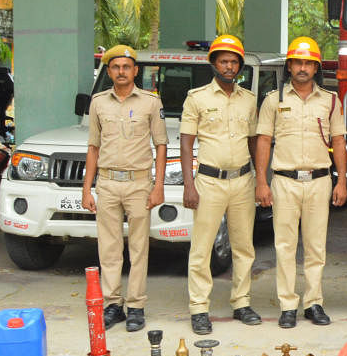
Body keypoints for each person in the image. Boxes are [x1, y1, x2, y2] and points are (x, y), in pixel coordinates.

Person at [255, 36, 347, 328]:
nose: (303, 68)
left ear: (317, 67)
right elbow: (264, 141)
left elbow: (338, 140)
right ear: (290, 66)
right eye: (298, 62)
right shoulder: (274, 100)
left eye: (309, 63)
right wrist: (262, 181)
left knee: (316, 246)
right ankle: (287, 305)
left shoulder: (330, 101)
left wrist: (342, 181)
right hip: (284, 181)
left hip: (319, 180)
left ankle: (314, 303)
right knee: (284, 245)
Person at [178, 35, 261, 335]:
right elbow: (186, 144)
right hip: (209, 182)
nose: (229, 66)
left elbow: (254, 144)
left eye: (234, 62)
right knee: (201, 248)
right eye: (223, 61)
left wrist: (261, 180)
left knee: (244, 247)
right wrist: (189, 185)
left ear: (239, 66)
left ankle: (242, 302)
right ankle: (199, 308)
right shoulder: (197, 97)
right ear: (213, 63)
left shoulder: (249, 99)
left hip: (242, 180)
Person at [80, 45, 167, 332]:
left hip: (139, 183)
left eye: (126, 67)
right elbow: (93, 147)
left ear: (135, 71)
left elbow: (161, 145)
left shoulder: (151, 103)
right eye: (115, 67)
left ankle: (136, 306)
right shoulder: (98, 103)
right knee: (109, 247)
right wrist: (86, 189)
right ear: (109, 71)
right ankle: (113, 304)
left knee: (139, 248)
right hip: (107, 183)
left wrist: (159, 187)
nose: (121, 72)